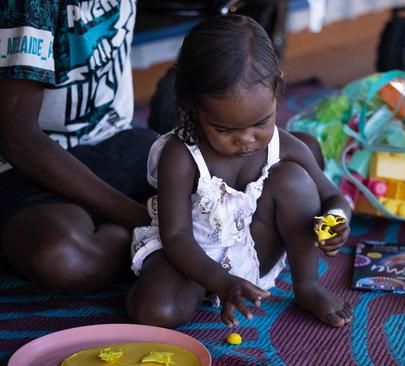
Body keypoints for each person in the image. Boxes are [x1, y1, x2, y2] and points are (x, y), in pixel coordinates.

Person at [125, 15, 353, 329]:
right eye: (224, 129)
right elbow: (176, 236)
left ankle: (307, 286)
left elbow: (333, 196)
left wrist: (337, 219)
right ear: (193, 108)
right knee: (154, 313)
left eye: (261, 122)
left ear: (277, 90)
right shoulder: (180, 154)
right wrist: (219, 280)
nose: (246, 139)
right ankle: (164, 281)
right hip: (191, 255)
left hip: (254, 248)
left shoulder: (282, 145)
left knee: (295, 180)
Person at [0, 0, 157, 293]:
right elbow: (18, 141)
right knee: (66, 258)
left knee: (233, 191)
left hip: (116, 139)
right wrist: (145, 219)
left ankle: (147, 243)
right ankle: (156, 244)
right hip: (25, 169)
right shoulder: (30, 7)